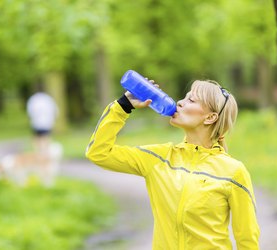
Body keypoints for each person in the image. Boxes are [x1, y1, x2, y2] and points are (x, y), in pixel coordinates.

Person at [85, 78, 260, 249]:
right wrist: (123, 106)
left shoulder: (233, 171)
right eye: (184, 97)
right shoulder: (158, 158)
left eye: (191, 100)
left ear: (210, 117)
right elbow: (99, 153)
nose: (180, 103)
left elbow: (247, 238)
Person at [27, 87, 58, 154]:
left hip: (36, 123)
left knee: (37, 139)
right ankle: (45, 153)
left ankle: (38, 153)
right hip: (47, 122)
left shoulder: (33, 99)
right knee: (46, 138)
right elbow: (54, 110)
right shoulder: (48, 99)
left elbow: (30, 111)